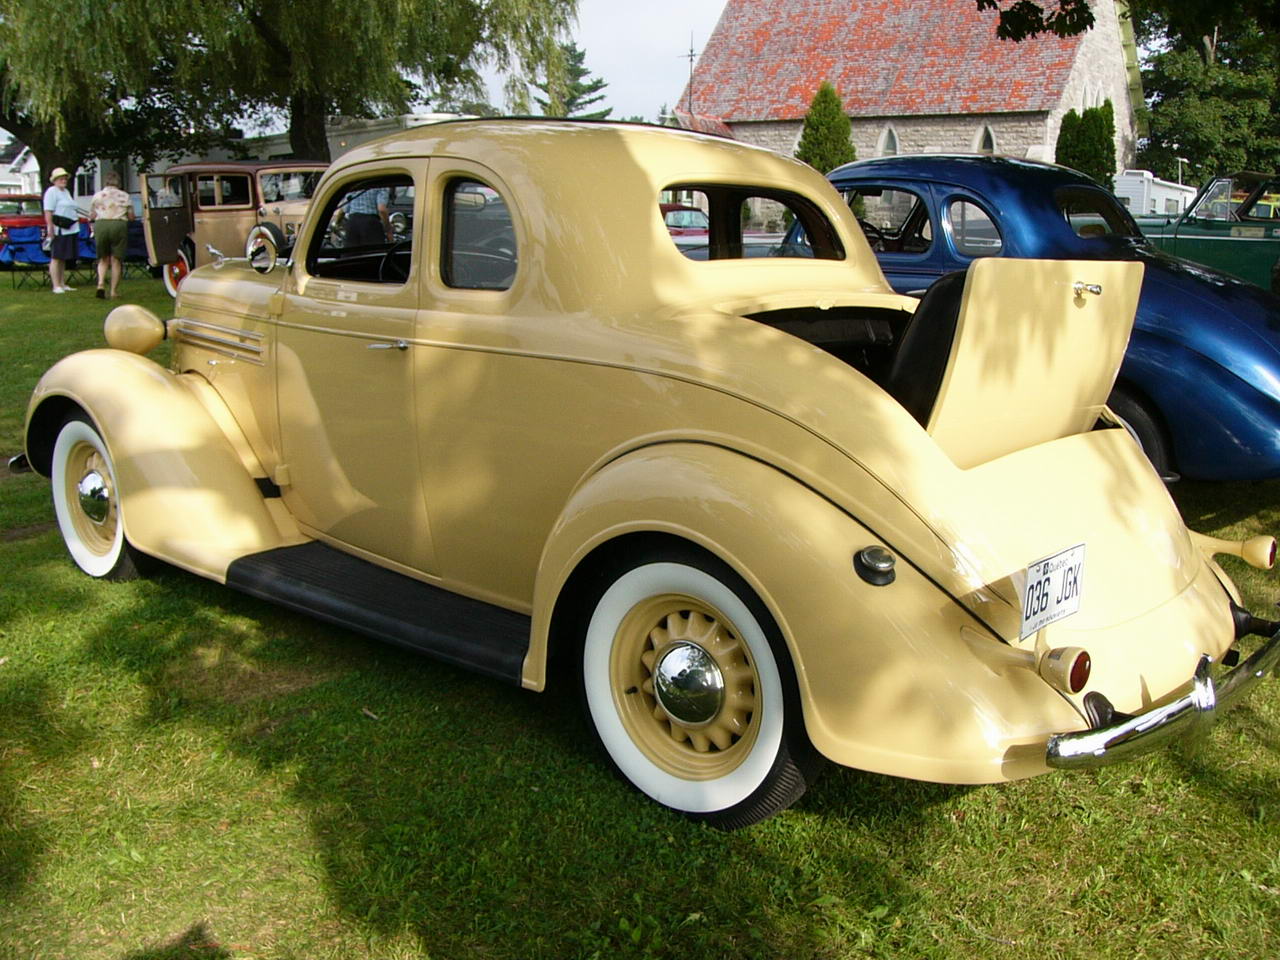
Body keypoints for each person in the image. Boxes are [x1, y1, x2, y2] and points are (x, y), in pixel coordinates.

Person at [89, 171, 136, 299]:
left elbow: (92, 215)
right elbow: (131, 216)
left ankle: (100, 284)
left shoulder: (97, 196)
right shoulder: (125, 196)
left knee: (103, 258)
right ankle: (113, 291)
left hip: (101, 225)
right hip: (118, 225)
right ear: (118, 182)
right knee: (116, 260)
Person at [42, 167, 80, 293]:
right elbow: (48, 211)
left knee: (63, 257)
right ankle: (56, 285)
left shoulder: (66, 192)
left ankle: (62, 283)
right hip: (59, 229)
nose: (63, 180)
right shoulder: (51, 192)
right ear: (55, 180)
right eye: (61, 178)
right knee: (56, 257)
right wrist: (50, 228)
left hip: (70, 228)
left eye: (64, 178)